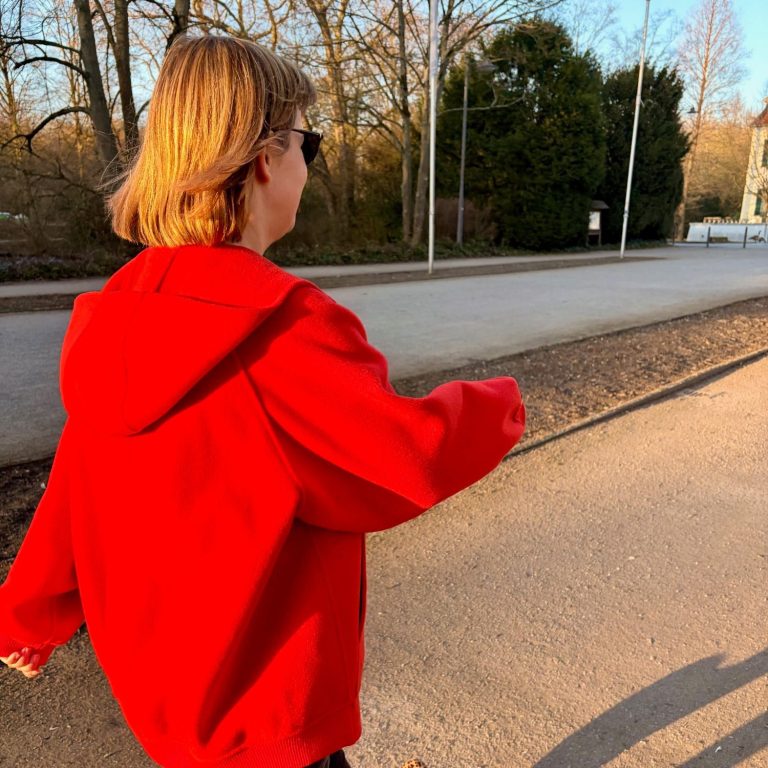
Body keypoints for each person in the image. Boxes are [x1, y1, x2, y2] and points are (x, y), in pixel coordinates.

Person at [0, 33, 525, 768]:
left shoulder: (116, 314)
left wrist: (29, 612)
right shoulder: (281, 323)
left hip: (168, 702)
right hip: (267, 704)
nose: (309, 166)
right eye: (309, 144)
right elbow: (409, 456)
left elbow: (78, 480)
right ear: (264, 158)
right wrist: (501, 404)